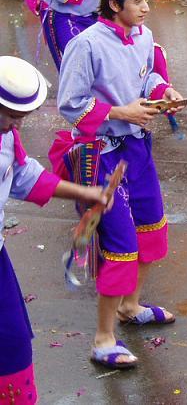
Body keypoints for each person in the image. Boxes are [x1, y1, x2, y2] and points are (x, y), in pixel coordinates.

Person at [54, 0, 182, 370]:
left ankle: (130, 306)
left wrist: (164, 92)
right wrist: (120, 111)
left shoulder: (143, 36)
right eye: (138, 1)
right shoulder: (86, 44)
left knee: (150, 230)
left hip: (137, 150)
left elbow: (147, 80)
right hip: (100, 157)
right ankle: (103, 338)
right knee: (121, 245)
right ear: (114, 5)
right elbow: (70, 105)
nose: (146, 7)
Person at [0, 56, 110, 400]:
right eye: (11, 117)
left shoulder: (5, 138)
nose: (15, 127)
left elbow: (22, 175)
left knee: (12, 342)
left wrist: (84, 192)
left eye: (20, 119)